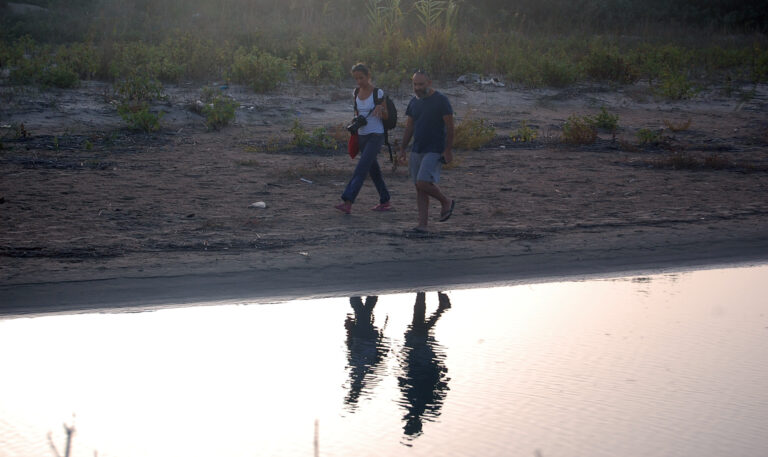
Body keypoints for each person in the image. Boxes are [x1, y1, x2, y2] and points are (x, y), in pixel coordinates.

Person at [399, 70, 455, 232]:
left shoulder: (441, 101)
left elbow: (450, 127)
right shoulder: (414, 102)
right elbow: (409, 127)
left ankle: (446, 201)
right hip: (417, 148)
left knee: (423, 182)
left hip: (435, 148)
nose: (417, 87)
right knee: (420, 187)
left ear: (429, 83)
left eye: (421, 84)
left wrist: (448, 150)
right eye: (415, 84)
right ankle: (422, 225)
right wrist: (403, 148)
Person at [335, 63, 392, 214]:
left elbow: (386, 116)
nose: (359, 81)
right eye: (356, 78)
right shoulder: (355, 93)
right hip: (362, 135)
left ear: (368, 76)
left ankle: (348, 201)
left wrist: (381, 109)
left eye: (361, 78)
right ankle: (385, 200)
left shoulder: (378, 93)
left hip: (376, 135)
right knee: (373, 171)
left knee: (361, 168)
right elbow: (356, 114)